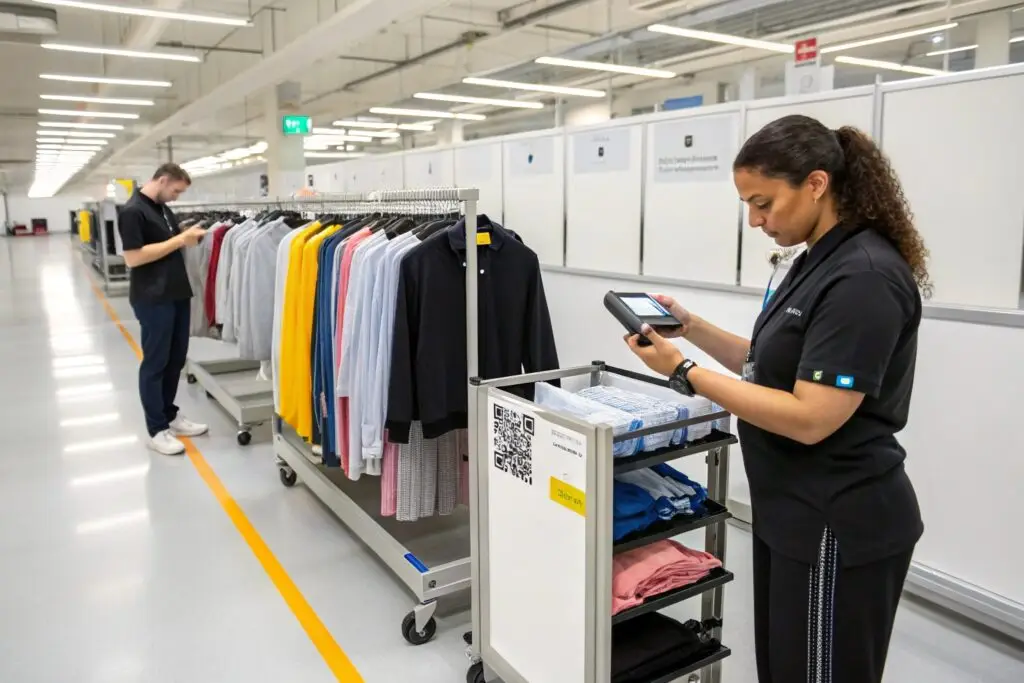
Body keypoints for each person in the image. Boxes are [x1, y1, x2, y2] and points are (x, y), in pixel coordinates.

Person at [625, 114, 926, 683]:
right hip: (792, 512)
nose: (755, 220)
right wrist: (691, 330)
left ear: (815, 184)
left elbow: (812, 418)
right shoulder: (815, 259)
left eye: (763, 203)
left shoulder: (863, 276)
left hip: (837, 520)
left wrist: (684, 371)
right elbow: (771, 368)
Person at [118, 164, 210, 455]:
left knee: (175, 360)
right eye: (175, 191)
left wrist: (184, 233)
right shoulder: (133, 211)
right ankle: (156, 430)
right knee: (155, 363)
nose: (176, 197)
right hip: (152, 298)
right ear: (162, 180)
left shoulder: (161, 208)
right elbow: (133, 258)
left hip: (176, 293)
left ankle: (170, 415)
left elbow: (163, 241)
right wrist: (179, 240)